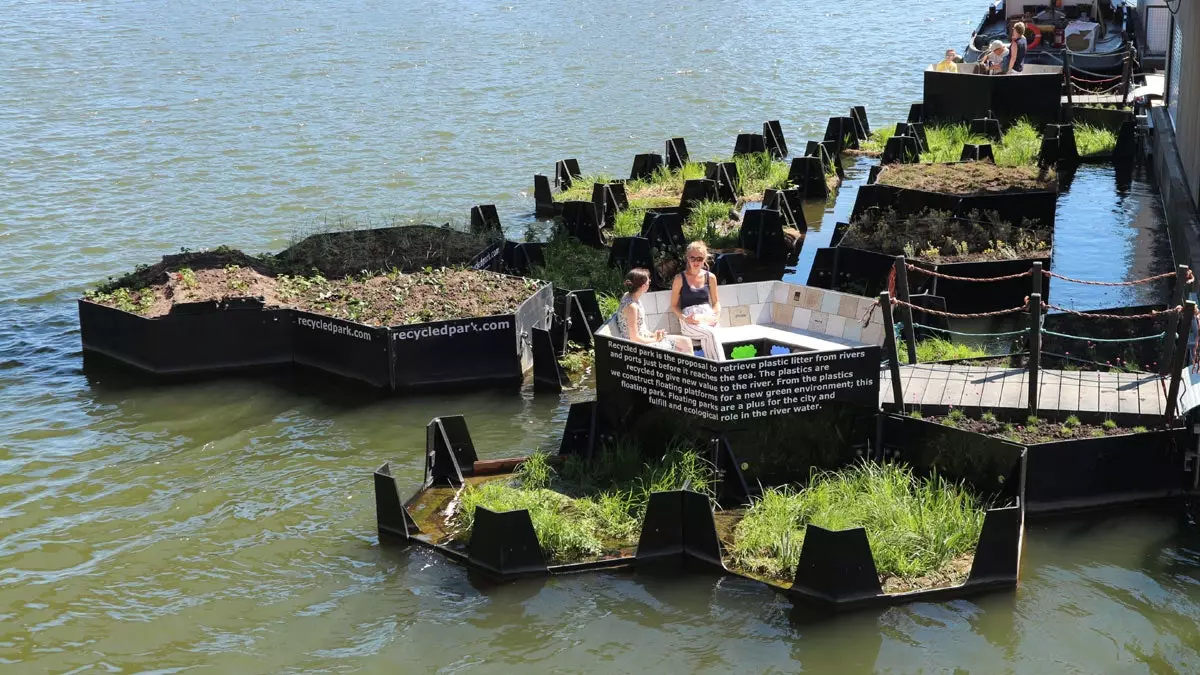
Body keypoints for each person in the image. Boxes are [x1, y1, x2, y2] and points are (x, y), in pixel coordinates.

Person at [614, 268, 691, 354]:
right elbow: (634, 338)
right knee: (684, 345)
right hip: (637, 348)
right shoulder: (632, 307)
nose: (650, 282)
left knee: (686, 341)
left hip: (644, 338)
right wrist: (655, 339)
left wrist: (653, 334)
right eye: (648, 281)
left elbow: (640, 328)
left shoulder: (628, 296)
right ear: (643, 286)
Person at [670, 241, 725, 361]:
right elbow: (673, 306)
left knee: (709, 336)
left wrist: (715, 315)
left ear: (704, 259)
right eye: (692, 258)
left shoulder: (710, 277)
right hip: (690, 318)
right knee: (711, 334)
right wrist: (684, 318)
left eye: (699, 259)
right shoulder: (680, 278)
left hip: (707, 315)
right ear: (687, 258)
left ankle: (711, 369)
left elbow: (716, 302)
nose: (695, 262)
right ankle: (721, 368)